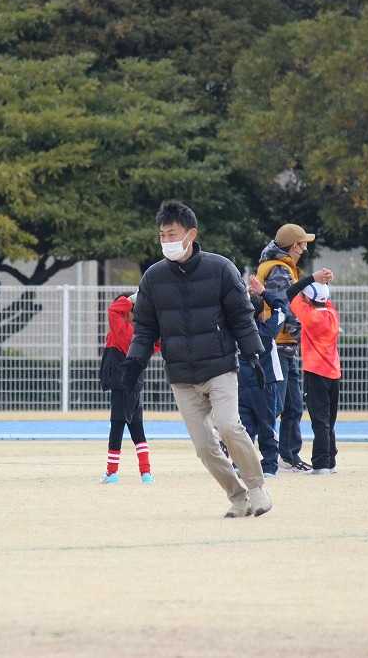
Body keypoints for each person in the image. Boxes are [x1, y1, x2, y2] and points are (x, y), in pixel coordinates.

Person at [121, 200, 272, 518]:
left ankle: (257, 488)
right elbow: (145, 328)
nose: (166, 241)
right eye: (162, 235)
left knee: (229, 426)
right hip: (181, 374)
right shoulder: (153, 278)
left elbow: (241, 316)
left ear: (191, 234)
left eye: (172, 234)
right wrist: (133, 363)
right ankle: (237, 497)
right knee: (204, 447)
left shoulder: (221, 269)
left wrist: (254, 354)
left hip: (220, 366)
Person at [256, 224, 332, 473]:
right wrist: (302, 330)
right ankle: (240, 448)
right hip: (277, 343)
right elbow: (282, 302)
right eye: (302, 243)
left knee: (293, 405)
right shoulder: (279, 268)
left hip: (284, 344)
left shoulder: (282, 266)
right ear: (294, 245)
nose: (305, 248)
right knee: (275, 404)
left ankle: (288, 455)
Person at [287, 276, 341, 475]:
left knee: (319, 420)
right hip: (334, 372)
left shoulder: (309, 316)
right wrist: (323, 282)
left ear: (308, 299)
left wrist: (313, 278)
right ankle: (331, 461)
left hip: (316, 372)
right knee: (329, 421)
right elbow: (323, 299)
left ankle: (320, 464)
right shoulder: (332, 314)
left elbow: (290, 293)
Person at [98, 292, 154, 484]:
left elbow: (113, 310)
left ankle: (112, 472)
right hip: (135, 384)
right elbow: (156, 345)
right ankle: (146, 473)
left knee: (116, 426)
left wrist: (131, 299)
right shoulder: (142, 336)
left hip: (120, 384)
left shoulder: (121, 330)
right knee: (137, 428)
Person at [238, 275, 287, 478]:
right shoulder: (267, 330)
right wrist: (264, 292)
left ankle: (241, 465)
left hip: (241, 383)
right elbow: (282, 308)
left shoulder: (236, 332)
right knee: (267, 425)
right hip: (265, 383)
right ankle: (269, 465)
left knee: (244, 427)